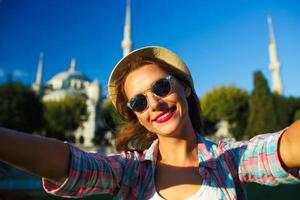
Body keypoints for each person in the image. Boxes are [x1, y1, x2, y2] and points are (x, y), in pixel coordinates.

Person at [0, 46, 300, 200]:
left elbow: (283, 147)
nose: (154, 104)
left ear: (185, 87)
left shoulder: (230, 160)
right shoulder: (130, 173)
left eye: (161, 87)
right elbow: (71, 164)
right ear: (137, 116)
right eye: (138, 102)